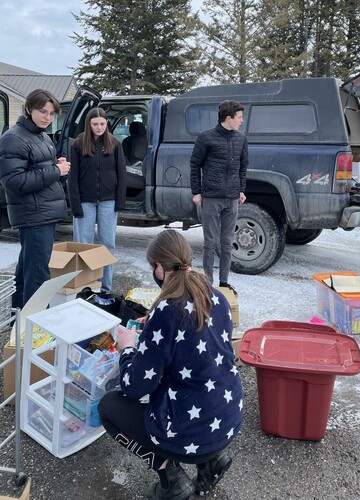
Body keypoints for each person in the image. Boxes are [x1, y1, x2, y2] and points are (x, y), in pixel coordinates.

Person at [98, 229, 243, 500]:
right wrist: (151, 328)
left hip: (190, 433)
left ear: (160, 268)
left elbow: (134, 387)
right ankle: (211, 463)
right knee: (193, 386)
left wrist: (127, 347)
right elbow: (196, 342)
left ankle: (172, 479)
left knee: (108, 407)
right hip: (227, 421)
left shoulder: (167, 311)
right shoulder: (217, 297)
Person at [0, 89, 70, 308]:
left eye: (51, 113)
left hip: (43, 213)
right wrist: (56, 171)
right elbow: (14, 181)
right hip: (34, 215)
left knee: (27, 273)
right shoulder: (14, 138)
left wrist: (55, 166)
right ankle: (36, 331)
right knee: (38, 277)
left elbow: (36, 169)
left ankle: (19, 326)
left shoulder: (40, 136)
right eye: (42, 111)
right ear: (28, 109)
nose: (47, 117)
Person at [190, 100, 248, 293]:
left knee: (227, 243)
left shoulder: (241, 139)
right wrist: (196, 192)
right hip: (211, 197)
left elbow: (243, 166)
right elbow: (195, 164)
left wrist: (241, 189)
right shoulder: (206, 138)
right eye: (239, 117)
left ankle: (223, 283)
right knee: (209, 243)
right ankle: (207, 283)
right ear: (228, 118)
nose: (241, 121)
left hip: (232, 198)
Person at [68, 107, 127, 292]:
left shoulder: (115, 143)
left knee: (107, 245)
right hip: (85, 202)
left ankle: (105, 288)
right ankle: (83, 287)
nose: (99, 127)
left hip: (108, 202)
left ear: (106, 124)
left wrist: (120, 201)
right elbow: (73, 177)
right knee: (83, 246)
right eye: (95, 124)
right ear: (89, 124)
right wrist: (75, 205)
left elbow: (121, 174)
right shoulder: (77, 144)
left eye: (102, 124)